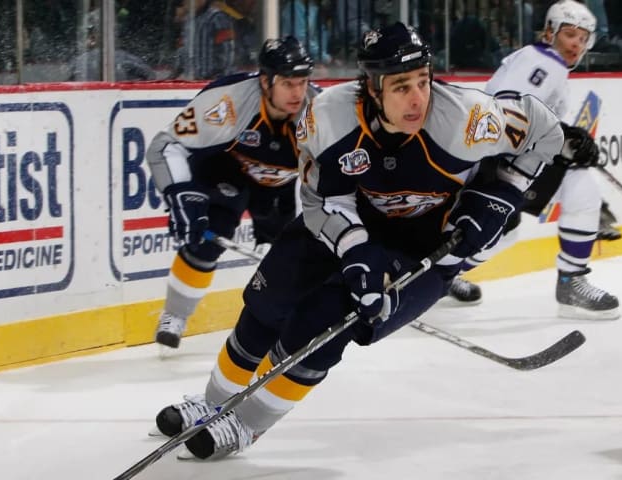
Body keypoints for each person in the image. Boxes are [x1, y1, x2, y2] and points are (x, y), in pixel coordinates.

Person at [149, 22, 565, 460]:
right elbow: (320, 201)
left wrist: (498, 195)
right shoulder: (326, 116)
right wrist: (355, 250)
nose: (417, 97)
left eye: (422, 80)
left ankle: (247, 424)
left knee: (323, 322)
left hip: (424, 244)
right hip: (350, 217)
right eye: (401, 86)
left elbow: (545, 132)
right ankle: (214, 404)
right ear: (372, 86)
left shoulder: (468, 117)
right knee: (265, 306)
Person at [448, 0, 620, 320]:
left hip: (519, 158)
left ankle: (571, 280)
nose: (576, 44)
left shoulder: (544, 62)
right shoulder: (542, 61)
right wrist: (565, 134)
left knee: (579, 189)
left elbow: (532, 118)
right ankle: (443, 276)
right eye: (570, 34)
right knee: (503, 230)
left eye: (584, 39)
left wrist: (566, 140)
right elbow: (509, 107)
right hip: (502, 160)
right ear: (549, 32)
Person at [145, 36, 318, 350]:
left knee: (292, 254)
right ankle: (174, 316)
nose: (298, 93)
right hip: (228, 170)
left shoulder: (319, 113)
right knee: (206, 238)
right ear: (265, 81)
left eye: (303, 82)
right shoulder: (228, 102)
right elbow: (165, 146)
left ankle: (290, 320)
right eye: (288, 84)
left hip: (280, 187)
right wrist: (180, 194)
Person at [173, 0, 235, 79]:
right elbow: (182, 51)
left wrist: (220, 78)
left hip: (215, 82)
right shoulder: (188, 21)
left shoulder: (217, 17)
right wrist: (178, 73)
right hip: (193, 81)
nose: (187, 2)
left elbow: (227, 52)